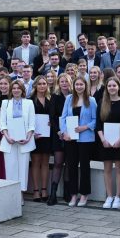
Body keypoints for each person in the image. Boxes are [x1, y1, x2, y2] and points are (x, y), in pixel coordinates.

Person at [60, 77, 97, 207]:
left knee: (85, 167)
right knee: (72, 166)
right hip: (71, 138)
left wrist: (85, 127)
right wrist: (64, 132)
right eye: (77, 84)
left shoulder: (91, 100)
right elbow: (63, 117)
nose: (79, 86)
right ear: (74, 86)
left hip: (85, 138)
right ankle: (73, 194)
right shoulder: (69, 99)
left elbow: (95, 120)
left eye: (81, 84)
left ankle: (84, 194)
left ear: (85, 86)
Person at [0, 80, 36, 198]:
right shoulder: (6, 103)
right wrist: (7, 136)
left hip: (25, 141)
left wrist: (28, 138)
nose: (16, 90)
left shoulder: (29, 103)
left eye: (18, 88)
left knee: (23, 169)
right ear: (11, 90)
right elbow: (2, 123)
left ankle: (20, 195)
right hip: (9, 141)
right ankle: (11, 195)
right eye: (13, 88)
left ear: (22, 90)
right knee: (10, 168)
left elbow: (32, 123)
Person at [96, 76, 120, 209]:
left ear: (118, 87)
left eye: (114, 85)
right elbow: (98, 124)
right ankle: (109, 196)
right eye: (109, 86)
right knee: (107, 169)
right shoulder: (102, 102)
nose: (112, 88)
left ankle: (118, 197)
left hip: (119, 141)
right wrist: (103, 139)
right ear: (106, 88)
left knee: (119, 169)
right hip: (105, 142)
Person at [47, 72, 72, 205]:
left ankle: (68, 192)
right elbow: (52, 117)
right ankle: (53, 194)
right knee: (58, 162)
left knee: (68, 163)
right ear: (58, 83)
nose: (64, 84)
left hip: (71, 134)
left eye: (66, 81)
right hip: (58, 135)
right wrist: (58, 131)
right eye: (61, 81)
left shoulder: (74, 97)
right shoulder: (55, 97)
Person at [29, 75, 53, 201]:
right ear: (35, 86)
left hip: (47, 136)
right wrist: (31, 134)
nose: (42, 86)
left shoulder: (51, 99)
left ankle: (44, 190)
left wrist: (52, 122)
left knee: (45, 163)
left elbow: (54, 116)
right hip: (35, 136)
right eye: (40, 84)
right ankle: (36, 190)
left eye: (44, 83)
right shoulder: (30, 100)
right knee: (35, 163)